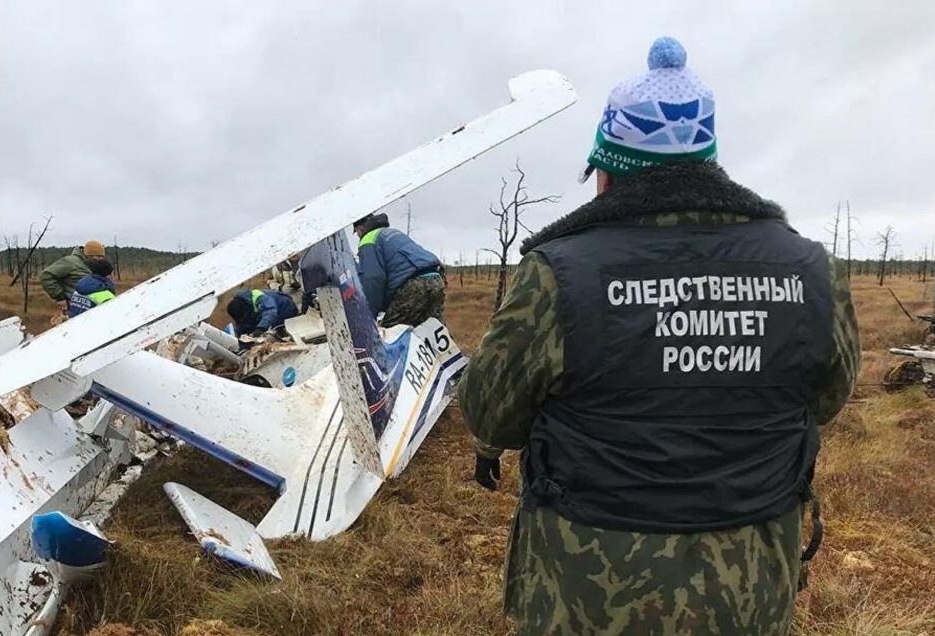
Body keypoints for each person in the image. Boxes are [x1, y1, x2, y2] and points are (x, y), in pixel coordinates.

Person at [458, 37, 861, 636]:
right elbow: (826, 399)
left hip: (591, 585)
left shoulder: (558, 272)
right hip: (751, 581)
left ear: (610, 168)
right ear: (709, 160)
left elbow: (492, 416)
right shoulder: (809, 269)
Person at [353, 212, 444, 327]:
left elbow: (373, 278)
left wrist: (368, 316)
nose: (358, 236)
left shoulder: (368, 239)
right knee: (432, 329)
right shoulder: (392, 232)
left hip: (413, 285)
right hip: (436, 278)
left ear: (360, 228)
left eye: (356, 232)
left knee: (391, 334)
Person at [40, 240, 108, 312]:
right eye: (98, 256)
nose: (101, 260)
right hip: (72, 308)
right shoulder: (70, 262)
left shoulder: (94, 266)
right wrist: (60, 298)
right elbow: (46, 275)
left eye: (102, 257)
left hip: (90, 310)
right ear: (89, 255)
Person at [226, 288, 300, 337]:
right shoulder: (241, 311)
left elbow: (271, 311)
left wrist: (260, 328)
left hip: (286, 309)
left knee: (288, 334)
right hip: (272, 318)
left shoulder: (260, 297)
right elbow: (242, 327)